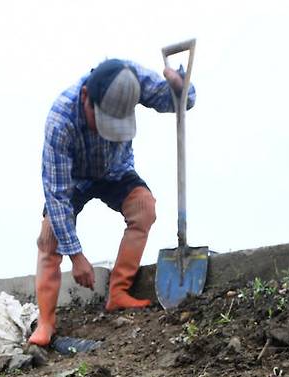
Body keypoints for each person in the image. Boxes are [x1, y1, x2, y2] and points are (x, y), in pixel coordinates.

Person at [28, 58, 196, 346]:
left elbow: (179, 102)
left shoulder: (131, 80)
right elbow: (56, 194)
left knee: (144, 208)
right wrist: (77, 256)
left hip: (114, 169)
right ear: (86, 99)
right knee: (49, 238)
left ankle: (118, 293)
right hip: (74, 179)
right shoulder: (60, 121)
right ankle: (46, 323)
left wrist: (181, 88)